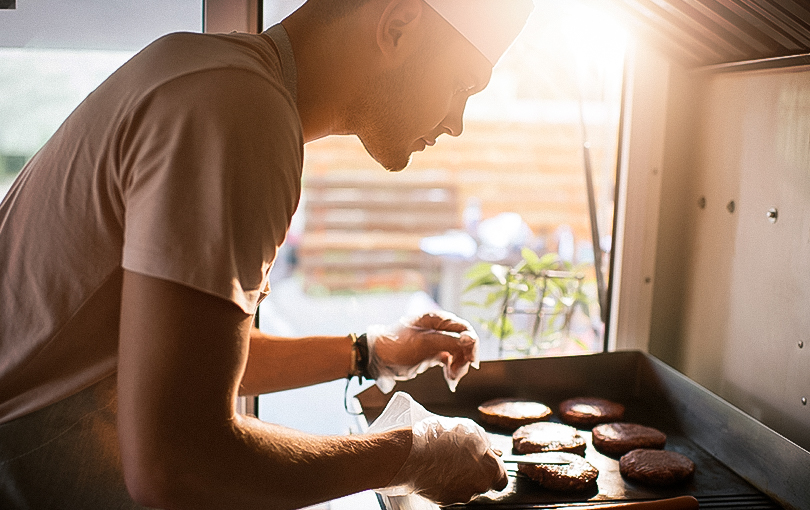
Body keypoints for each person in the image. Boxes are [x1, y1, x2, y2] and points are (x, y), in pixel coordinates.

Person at [0, 0, 532, 508]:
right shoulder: (238, 111)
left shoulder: (217, 77)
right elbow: (176, 463)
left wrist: (369, 352)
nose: (456, 122)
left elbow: (191, 360)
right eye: (462, 85)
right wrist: (411, 454)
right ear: (397, 26)